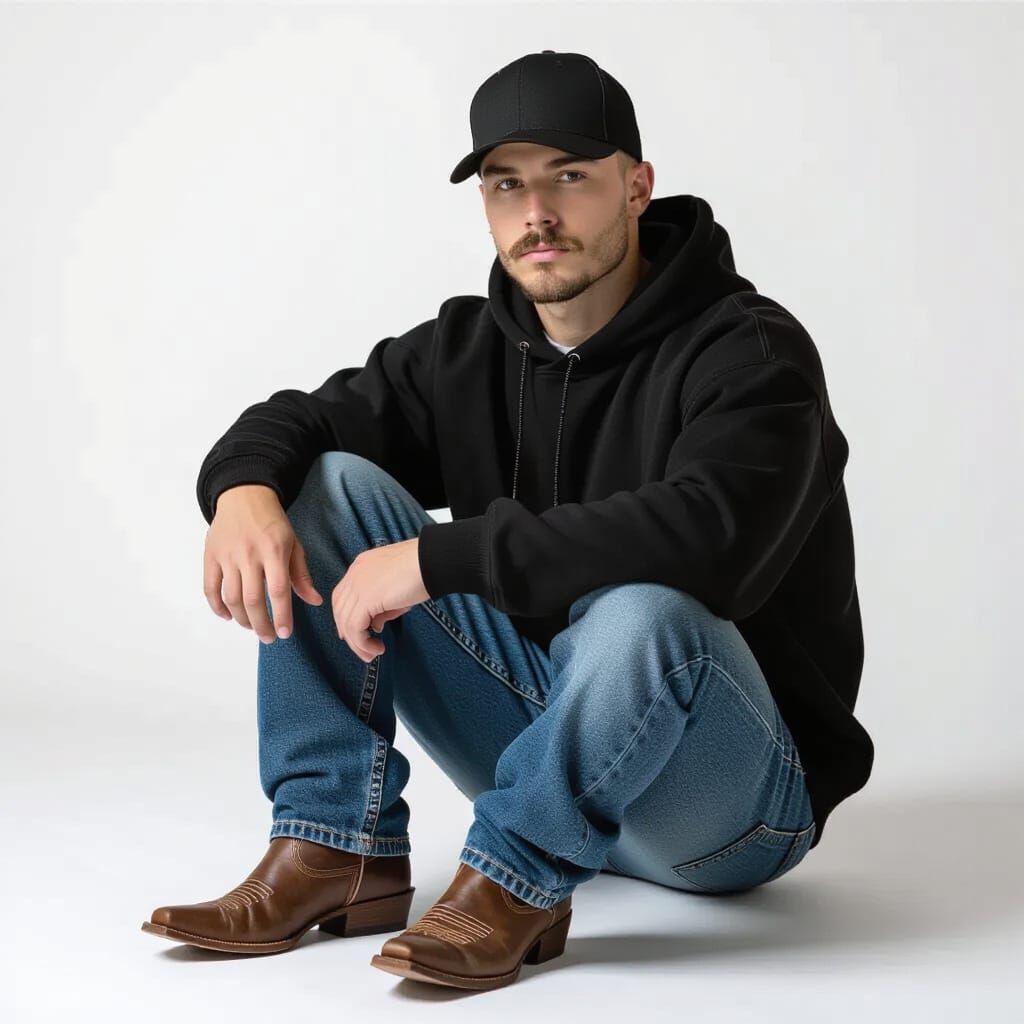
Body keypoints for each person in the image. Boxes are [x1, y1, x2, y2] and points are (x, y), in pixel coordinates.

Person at [141, 50, 873, 990]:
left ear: (637, 187)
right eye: (507, 185)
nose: (538, 215)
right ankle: (335, 847)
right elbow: (301, 422)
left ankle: (517, 879)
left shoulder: (751, 351)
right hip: (551, 749)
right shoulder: (469, 349)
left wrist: (441, 559)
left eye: (570, 176)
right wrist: (242, 490)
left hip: (726, 813)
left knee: (647, 611)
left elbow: (712, 545)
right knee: (321, 486)